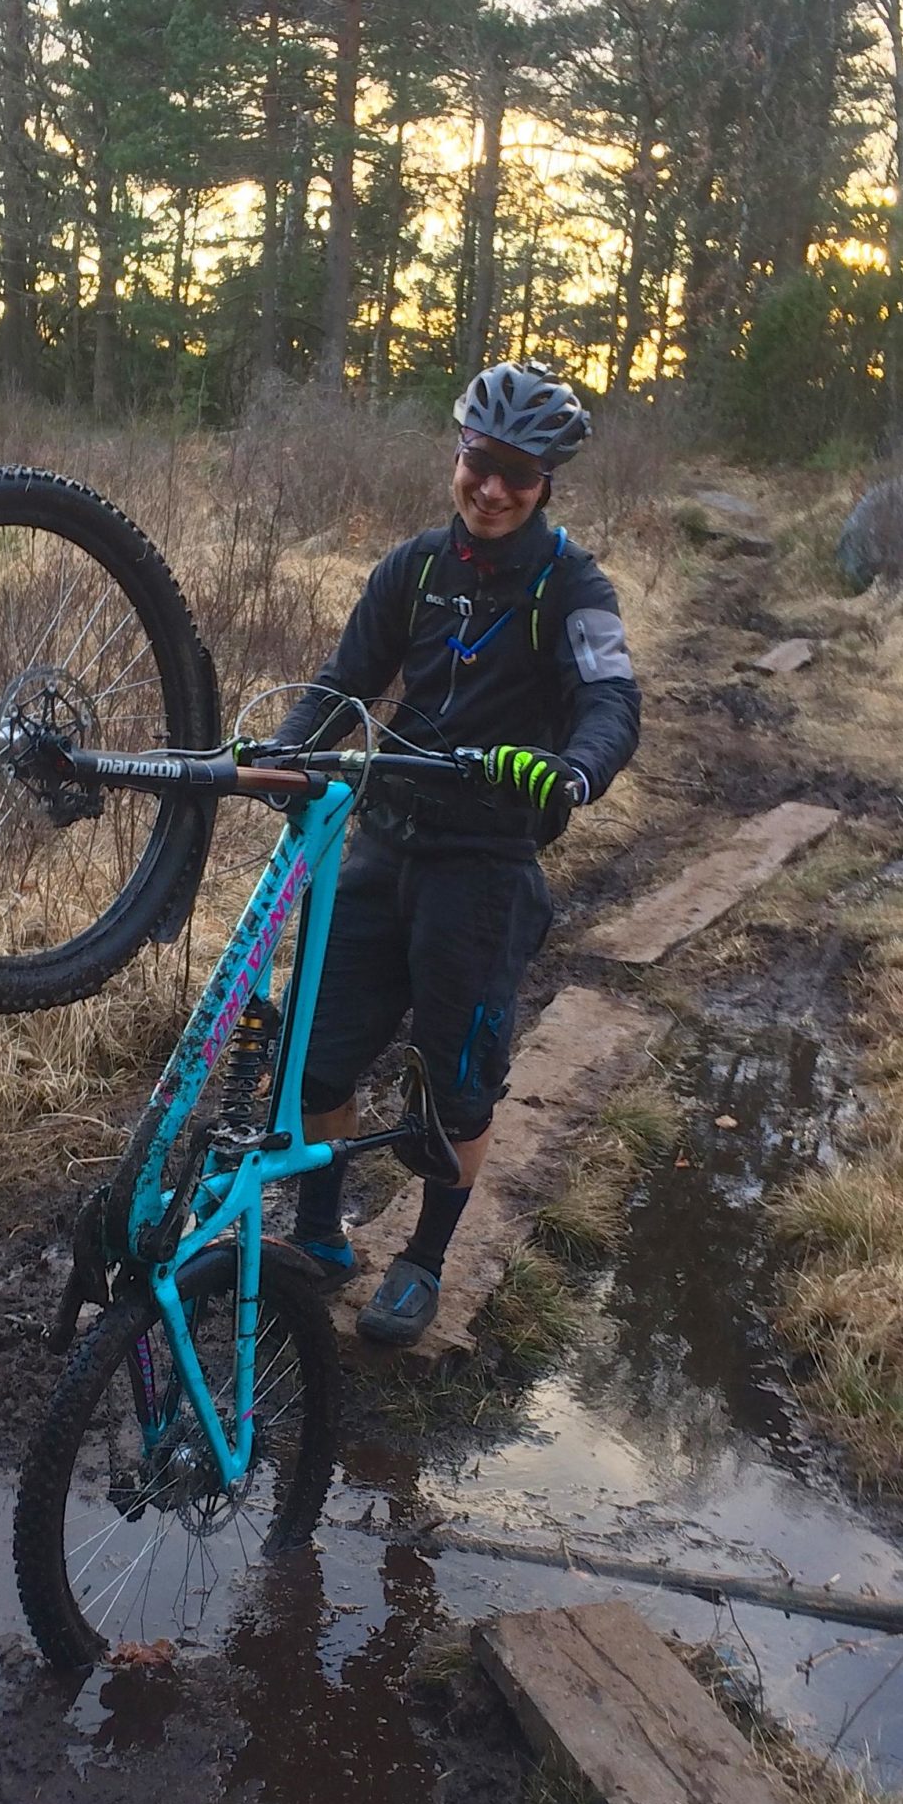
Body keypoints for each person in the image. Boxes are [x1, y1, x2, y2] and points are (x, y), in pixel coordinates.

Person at [262, 361, 642, 1346]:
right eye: (481, 462)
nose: (493, 487)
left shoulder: (575, 587)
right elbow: (344, 681)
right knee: (317, 1059)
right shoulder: (414, 570)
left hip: (484, 866)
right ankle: (319, 1230)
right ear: (458, 454)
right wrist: (282, 754)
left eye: (518, 472)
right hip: (382, 844)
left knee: (453, 1083)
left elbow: (611, 703)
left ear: (546, 479)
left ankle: (425, 1260)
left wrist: (576, 771)